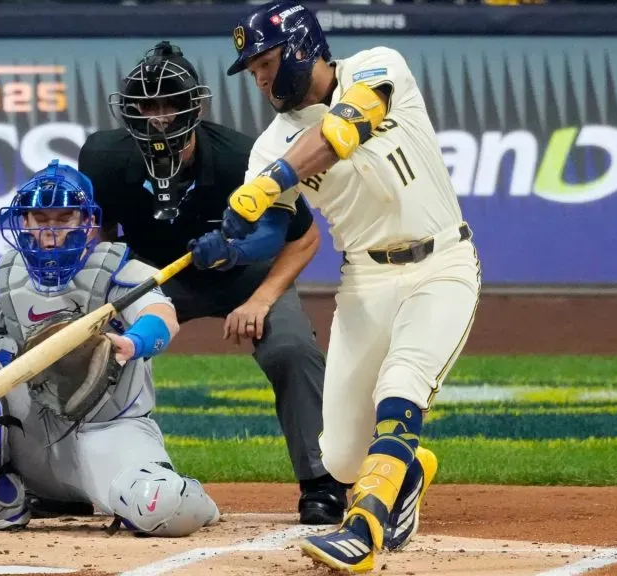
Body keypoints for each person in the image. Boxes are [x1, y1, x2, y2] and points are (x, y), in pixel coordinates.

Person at [192, 1, 482, 572]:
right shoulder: (269, 145)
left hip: (442, 262)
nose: (262, 79)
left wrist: (273, 181)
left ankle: (364, 526)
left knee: (401, 384)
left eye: (267, 62)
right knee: (343, 458)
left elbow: (346, 127)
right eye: (253, 73)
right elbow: (271, 232)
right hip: (365, 281)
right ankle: (409, 468)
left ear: (302, 45)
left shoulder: (379, 64)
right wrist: (229, 250)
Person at [78, 40, 348, 525]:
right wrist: (97, 300)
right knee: (88, 342)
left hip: (246, 277)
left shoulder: (240, 158)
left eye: (170, 105)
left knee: (290, 348)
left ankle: (322, 483)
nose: (159, 118)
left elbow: (304, 239)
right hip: (151, 279)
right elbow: (100, 240)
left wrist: (262, 301)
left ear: (194, 107)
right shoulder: (101, 158)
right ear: (132, 111)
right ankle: (74, 478)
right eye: (148, 106)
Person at [0, 160, 221, 538]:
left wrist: (133, 341)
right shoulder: (4, 275)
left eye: (64, 218)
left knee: (161, 509)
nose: (50, 233)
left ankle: (188, 496)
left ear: (88, 223)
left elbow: (163, 316)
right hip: (33, 435)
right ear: (24, 221)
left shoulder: (118, 268)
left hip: (108, 433)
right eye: (39, 218)